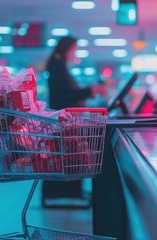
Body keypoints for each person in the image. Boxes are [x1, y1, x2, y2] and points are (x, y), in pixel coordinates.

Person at [42, 36, 107, 208]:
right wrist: (88, 91)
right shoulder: (58, 68)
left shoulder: (58, 67)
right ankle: (65, 192)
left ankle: (70, 191)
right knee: (68, 157)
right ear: (66, 49)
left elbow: (66, 93)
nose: (74, 53)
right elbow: (65, 95)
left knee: (69, 156)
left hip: (64, 122)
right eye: (74, 49)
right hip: (63, 122)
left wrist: (86, 92)